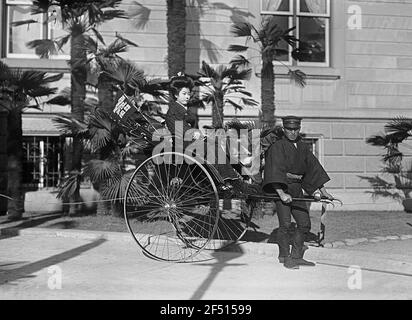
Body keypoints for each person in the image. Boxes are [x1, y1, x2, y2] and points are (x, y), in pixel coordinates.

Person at [262, 116, 334, 269]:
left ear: (299, 129)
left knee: (304, 224)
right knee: (286, 224)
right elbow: (274, 171)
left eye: (295, 129)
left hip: (296, 189)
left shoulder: (302, 147)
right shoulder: (277, 146)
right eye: (289, 129)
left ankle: (296, 256)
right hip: (281, 188)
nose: (293, 132)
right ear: (284, 129)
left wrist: (323, 190)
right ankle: (285, 256)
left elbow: (313, 168)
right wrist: (281, 194)